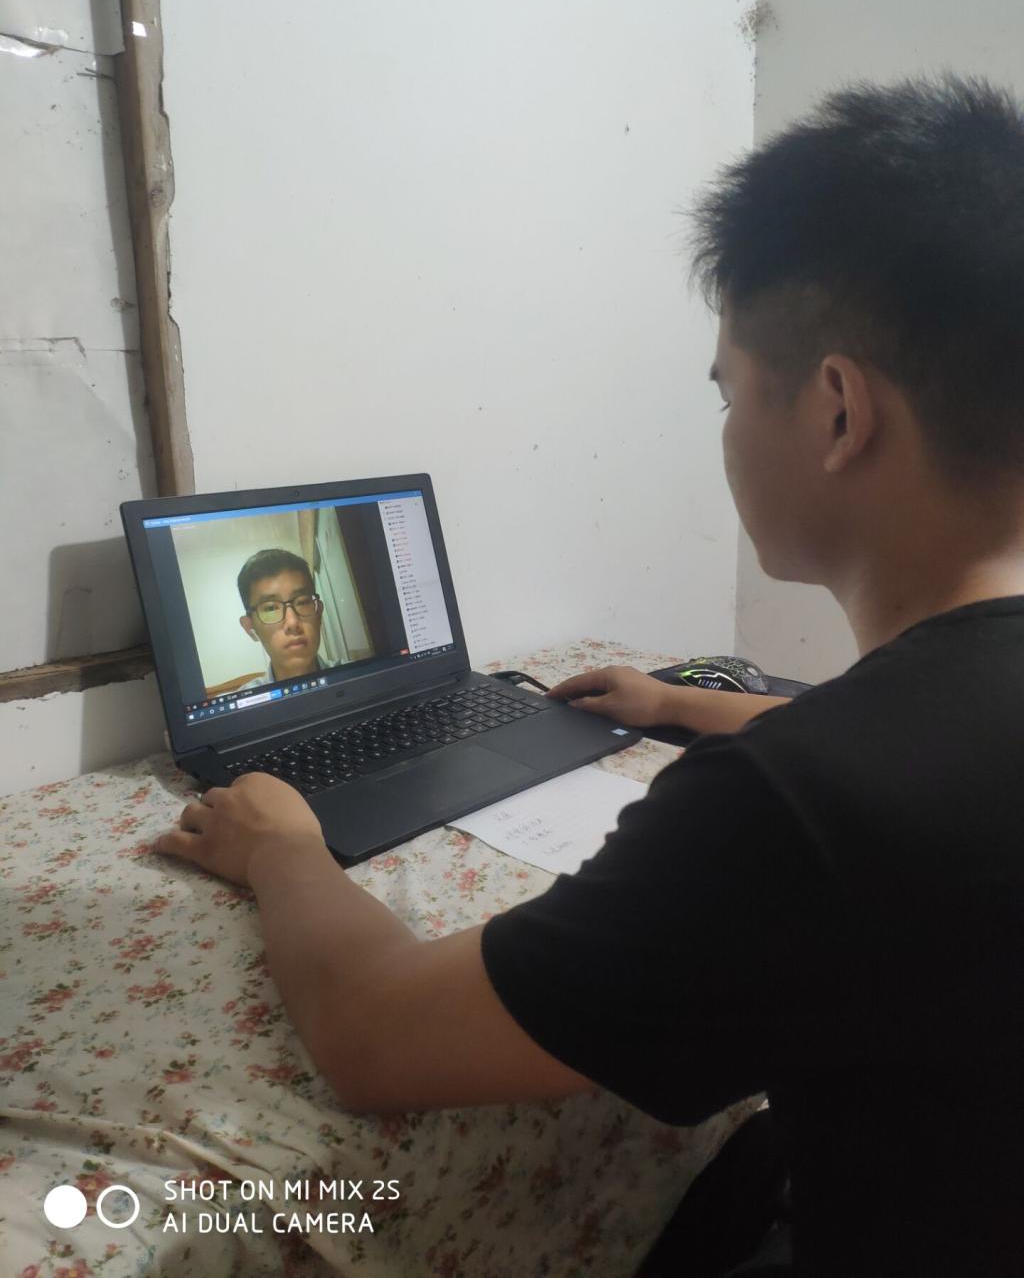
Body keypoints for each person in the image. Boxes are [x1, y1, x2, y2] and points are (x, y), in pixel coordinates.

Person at [156, 75, 1024, 1276]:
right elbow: (925, 736)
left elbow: (373, 1034)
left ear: (836, 412)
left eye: (727, 392)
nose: (724, 430)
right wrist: (679, 704)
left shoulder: (795, 808)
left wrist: (282, 849)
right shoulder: (912, 733)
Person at [235, 549, 336, 689]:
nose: (292, 623)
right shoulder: (246, 701)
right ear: (250, 628)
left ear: (319, 613)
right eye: (271, 608)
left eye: (302, 602)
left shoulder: (356, 678)